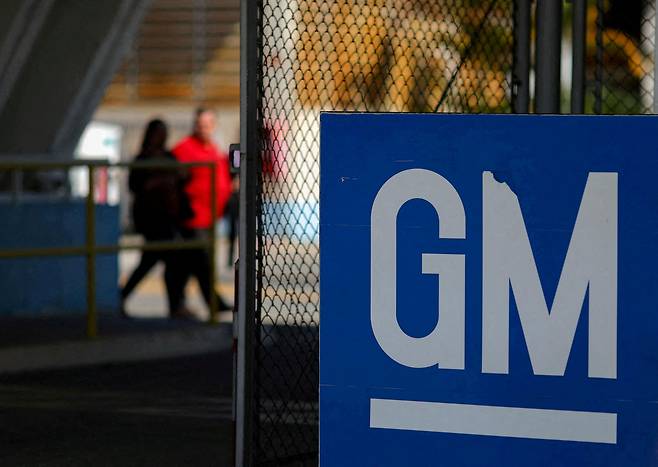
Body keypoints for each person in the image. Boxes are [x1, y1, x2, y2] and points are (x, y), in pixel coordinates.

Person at [120, 119, 193, 318]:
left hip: (169, 217)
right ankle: (175, 305)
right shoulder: (143, 159)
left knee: (160, 262)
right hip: (151, 218)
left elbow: (183, 178)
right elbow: (135, 186)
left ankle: (175, 304)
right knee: (168, 261)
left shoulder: (169, 157)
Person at [169, 108, 233, 313]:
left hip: (210, 217)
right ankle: (212, 303)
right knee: (200, 263)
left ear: (213, 126)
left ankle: (180, 303)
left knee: (189, 265)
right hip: (193, 218)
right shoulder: (184, 149)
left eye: (207, 125)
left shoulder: (214, 149)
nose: (203, 128)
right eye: (199, 124)